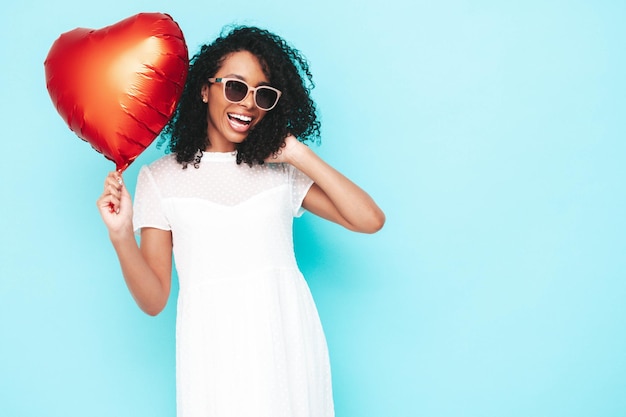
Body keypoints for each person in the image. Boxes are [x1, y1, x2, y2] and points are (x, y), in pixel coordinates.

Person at [97, 25, 385, 417]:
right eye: (235, 87)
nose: (248, 104)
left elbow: (369, 219)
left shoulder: (278, 169)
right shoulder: (159, 178)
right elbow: (154, 299)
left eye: (262, 94)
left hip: (286, 342)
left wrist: (298, 154)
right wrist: (120, 237)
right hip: (214, 353)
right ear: (205, 89)